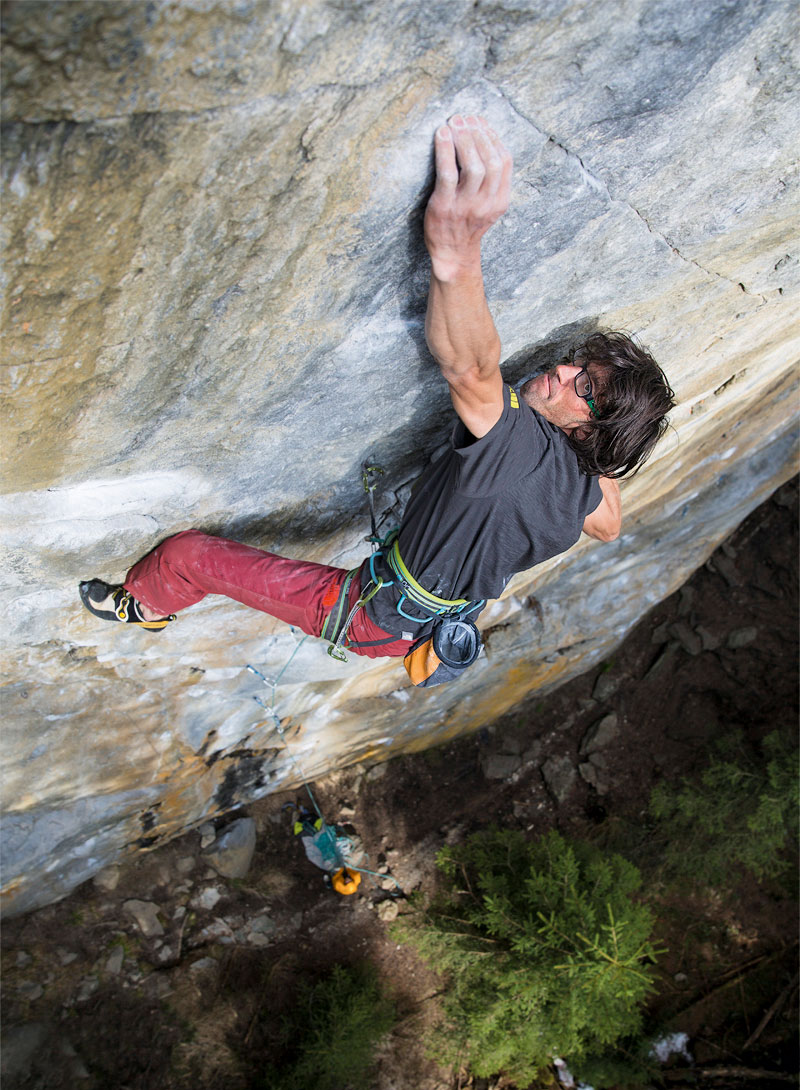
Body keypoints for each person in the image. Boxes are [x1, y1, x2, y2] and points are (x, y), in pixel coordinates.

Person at [80, 115, 674, 683]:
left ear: (587, 429)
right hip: (430, 624)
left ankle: (145, 605)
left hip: (368, 617)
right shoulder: (581, 494)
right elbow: (610, 524)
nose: (562, 371)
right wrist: (603, 442)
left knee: (187, 556)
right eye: (578, 366)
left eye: (584, 387)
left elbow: (470, 368)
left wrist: (456, 253)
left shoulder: (516, 444)